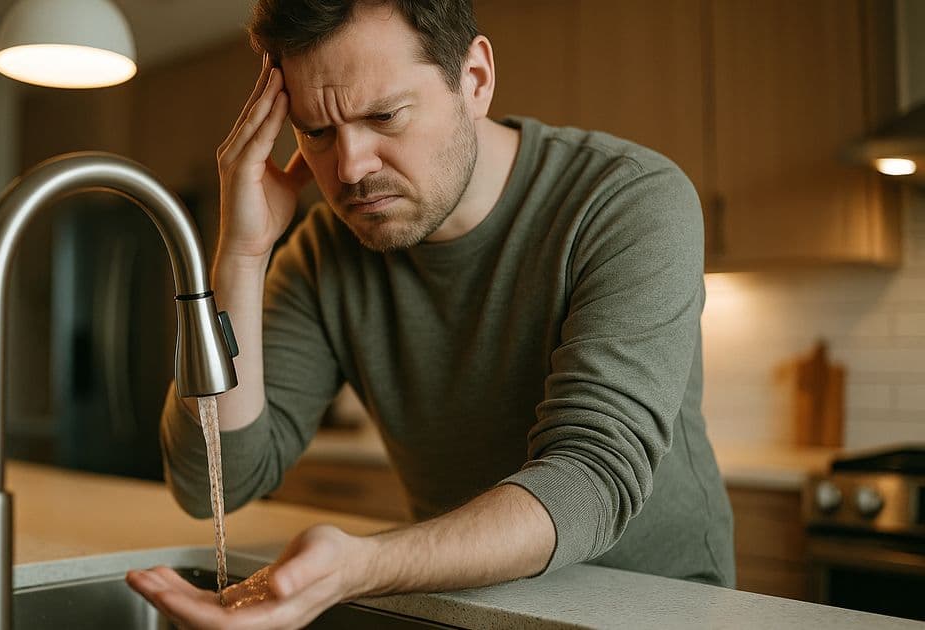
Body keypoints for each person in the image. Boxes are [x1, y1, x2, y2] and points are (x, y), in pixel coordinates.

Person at [126, 0, 735, 627]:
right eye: (316, 131)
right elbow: (211, 484)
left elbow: (589, 481)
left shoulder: (628, 199)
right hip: (465, 607)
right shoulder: (322, 253)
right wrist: (242, 256)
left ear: (473, 80)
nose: (350, 166)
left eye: (384, 115)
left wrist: (361, 564)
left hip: (658, 608)